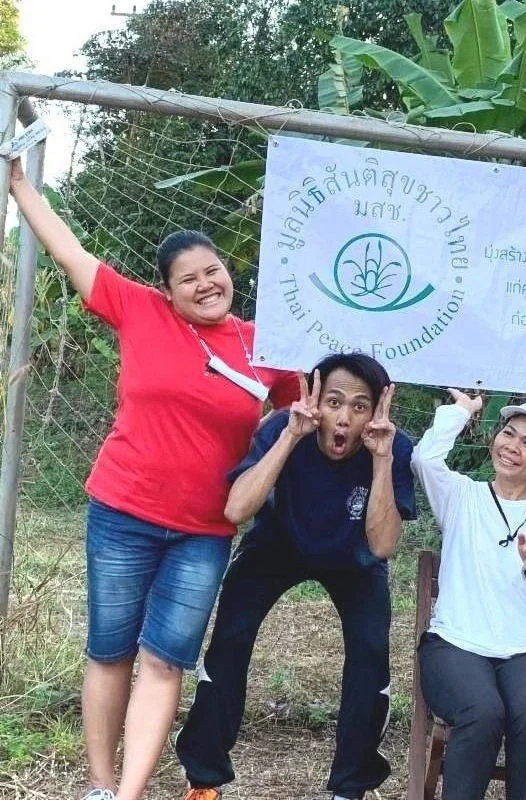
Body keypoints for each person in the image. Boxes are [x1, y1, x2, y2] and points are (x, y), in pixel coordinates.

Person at [5, 158, 299, 800]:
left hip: (205, 530)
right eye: (188, 279)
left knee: (166, 660)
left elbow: (312, 410)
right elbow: (69, 251)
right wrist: (21, 185)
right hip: (122, 512)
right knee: (110, 649)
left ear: (228, 273)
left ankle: (131, 792)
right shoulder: (138, 310)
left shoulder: (268, 348)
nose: (205, 284)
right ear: (166, 291)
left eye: (212, 271)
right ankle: (101, 786)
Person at [176, 352, 416, 800]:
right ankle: (204, 777)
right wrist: (290, 436)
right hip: (278, 542)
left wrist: (382, 460)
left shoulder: (393, 446)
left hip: (354, 556)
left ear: (376, 413)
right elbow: (236, 509)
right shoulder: (284, 427)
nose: (343, 419)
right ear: (316, 401)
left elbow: (383, 545)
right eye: (334, 402)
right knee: (231, 635)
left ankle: (350, 786)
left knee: (370, 651)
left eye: (360, 407)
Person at [411, 390, 526, 800]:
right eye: (509, 433)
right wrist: (461, 411)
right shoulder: (461, 496)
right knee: (482, 713)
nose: (512, 447)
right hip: (455, 643)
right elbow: (424, 459)